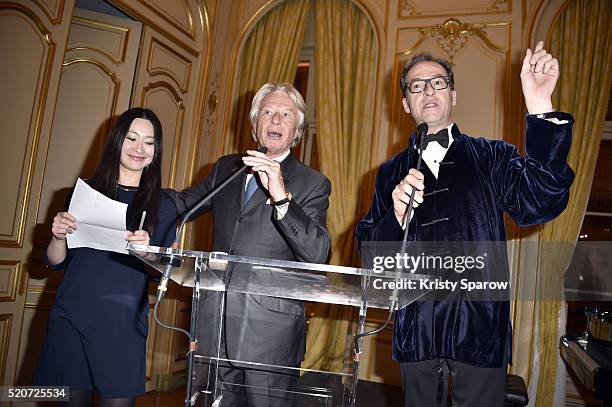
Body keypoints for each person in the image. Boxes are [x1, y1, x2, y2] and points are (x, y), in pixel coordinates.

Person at [355, 41, 574, 406]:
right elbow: (370, 256)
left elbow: (540, 201)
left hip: (480, 323)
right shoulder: (388, 174)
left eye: (438, 82)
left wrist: (539, 108)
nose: (428, 90)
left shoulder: (493, 156)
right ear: (406, 104)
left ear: (453, 95)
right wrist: (394, 217)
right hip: (416, 327)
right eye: (417, 85)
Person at [166, 82, 331, 406]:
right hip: (214, 323)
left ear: (296, 129)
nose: (275, 120)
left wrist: (282, 197)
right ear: (255, 124)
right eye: (267, 112)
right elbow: (182, 204)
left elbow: (317, 252)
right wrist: (130, 190)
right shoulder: (227, 168)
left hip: (269, 333)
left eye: (286, 114)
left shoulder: (312, 182)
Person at [34, 108, 177, 407]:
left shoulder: (163, 205)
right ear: (116, 141)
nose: (139, 148)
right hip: (71, 317)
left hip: (122, 324)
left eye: (149, 142)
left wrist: (150, 254)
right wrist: (58, 236)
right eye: (131, 138)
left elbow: (161, 273)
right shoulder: (82, 192)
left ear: (156, 150)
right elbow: (57, 261)